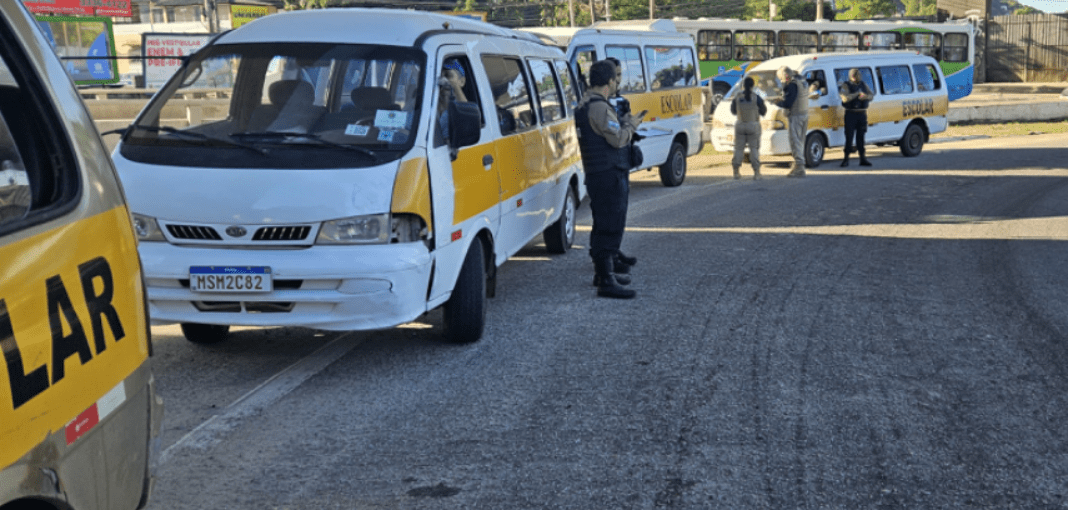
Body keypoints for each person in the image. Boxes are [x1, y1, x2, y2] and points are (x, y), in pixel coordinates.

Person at [575, 59, 644, 299]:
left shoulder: (584, 103)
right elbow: (617, 139)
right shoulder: (600, 107)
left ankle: (603, 274)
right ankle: (606, 280)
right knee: (610, 226)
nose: (617, 83)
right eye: (615, 79)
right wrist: (632, 124)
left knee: (602, 224)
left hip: (597, 174)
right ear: (609, 82)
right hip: (608, 174)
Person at [773, 65, 809, 177]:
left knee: (795, 142)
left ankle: (799, 167)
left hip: (796, 116)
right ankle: (798, 165)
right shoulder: (801, 81)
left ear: (786, 76)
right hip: (804, 114)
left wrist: (777, 102)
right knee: (800, 141)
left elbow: (788, 103)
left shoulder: (792, 84)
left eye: (781, 78)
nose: (781, 81)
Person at [730, 76, 767, 180]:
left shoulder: (737, 96)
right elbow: (764, 111)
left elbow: (733, 111)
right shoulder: (756, 97)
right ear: (752, 86)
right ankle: (756, 172)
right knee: (754, 149)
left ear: (743, 85)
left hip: (740, 125)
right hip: (753, 125)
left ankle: (736, 171)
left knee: (738, 149)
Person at [839, 68, 873, 167]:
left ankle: (863, 158)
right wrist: (856, 94)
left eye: (857, 76)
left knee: (861, 138)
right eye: (854, 76)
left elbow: (871, 95)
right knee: (849, 137)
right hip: (851, 114)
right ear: (850, 76)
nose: (855, 78)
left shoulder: (863, 84)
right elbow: (845, 98)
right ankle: (846, 159)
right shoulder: (846, 85)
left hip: (862, 114)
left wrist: (865, 96)